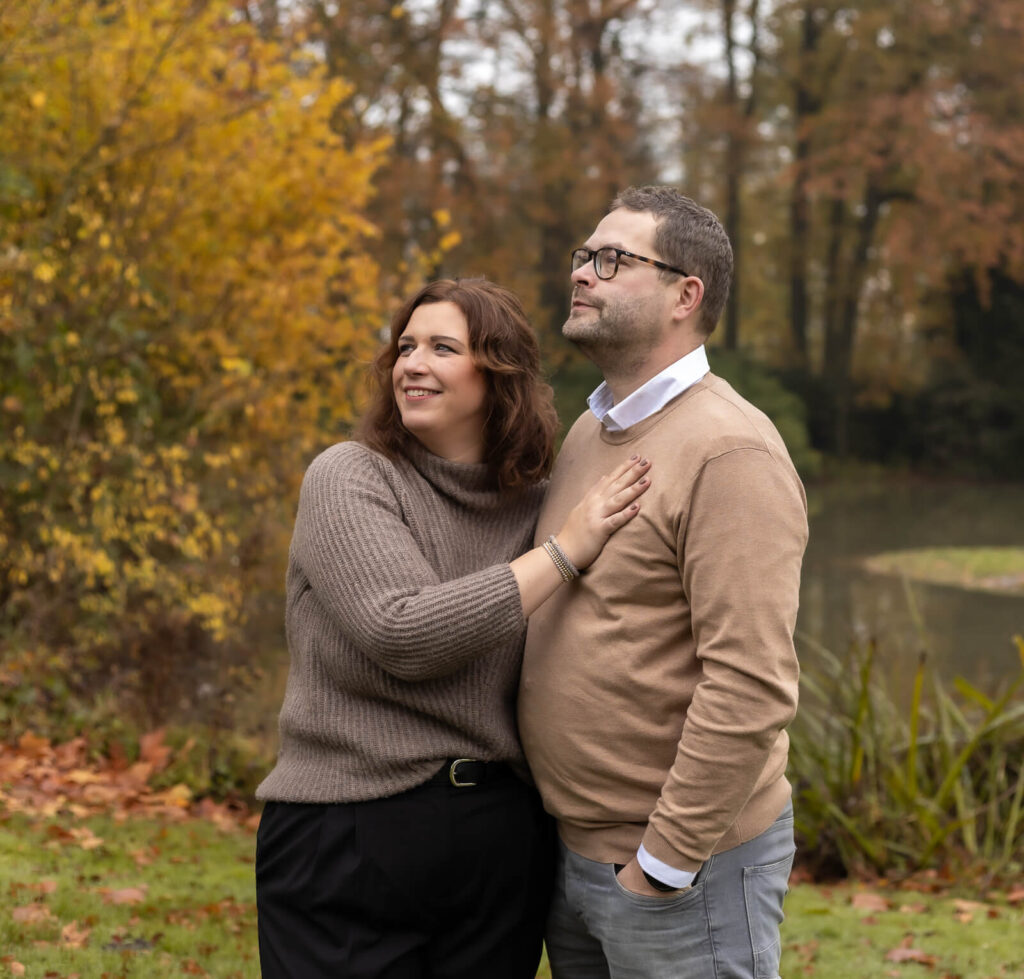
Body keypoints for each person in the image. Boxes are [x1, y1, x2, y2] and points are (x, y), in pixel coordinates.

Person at [254, 277, 652, 979]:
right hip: (346, 829)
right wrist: (561, 553)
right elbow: (403, 632)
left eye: (442, 347)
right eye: (405, 346)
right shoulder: (350, 477)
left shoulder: (539, 501)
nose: (412, 363)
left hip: (498, 839)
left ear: (497, 373)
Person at [518, 186, 809, 979]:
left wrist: (663, 864)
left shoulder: (729, 451)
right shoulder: (591, 429)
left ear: (688, 294)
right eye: (584, 256)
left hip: (680, 873)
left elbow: (750, 683)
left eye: (614, 260)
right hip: (575, 854)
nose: (584, 273)